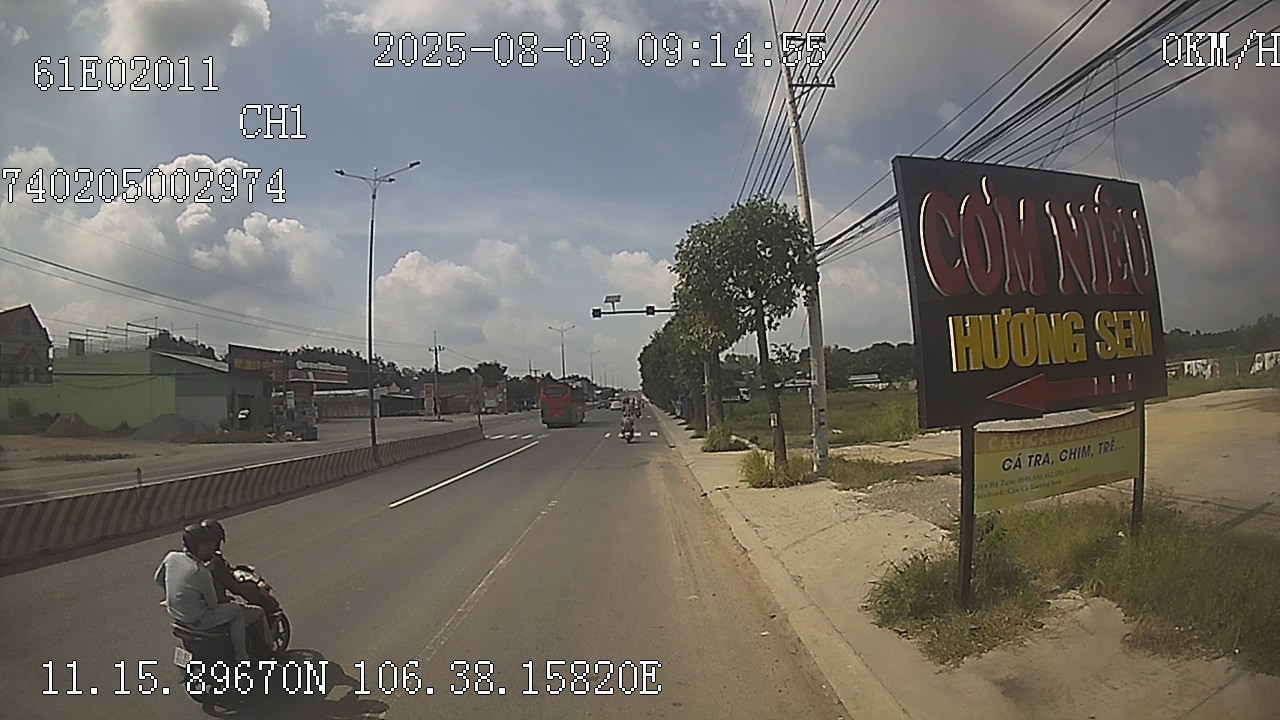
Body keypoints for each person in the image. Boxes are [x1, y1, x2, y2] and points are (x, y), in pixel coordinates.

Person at [155, 524, 254, 663]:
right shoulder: (199, 571)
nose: (211, 549)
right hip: (196, 619)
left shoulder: (171, 557)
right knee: (236, 611)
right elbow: (213, 604)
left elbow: (158, 579)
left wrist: (177, 594)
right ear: (197, 547)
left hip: (175, 614)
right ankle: (242, 657)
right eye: (206, 545)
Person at [200, 519, 273, 653]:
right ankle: (266, 651)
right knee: (257, 612)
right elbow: (235, 587)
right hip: (212, 610)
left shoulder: (190, 560)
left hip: (191, 611)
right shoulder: (215, 561)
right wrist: (253, 589)